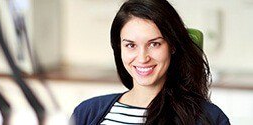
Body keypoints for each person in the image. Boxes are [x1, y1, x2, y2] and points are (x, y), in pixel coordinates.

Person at [71, 0, 230, 124]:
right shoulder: (87, 112)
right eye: (131, 45)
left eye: (154, 44)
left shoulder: (209, 118)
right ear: (119, 48)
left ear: (172, 46)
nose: (142, 58)